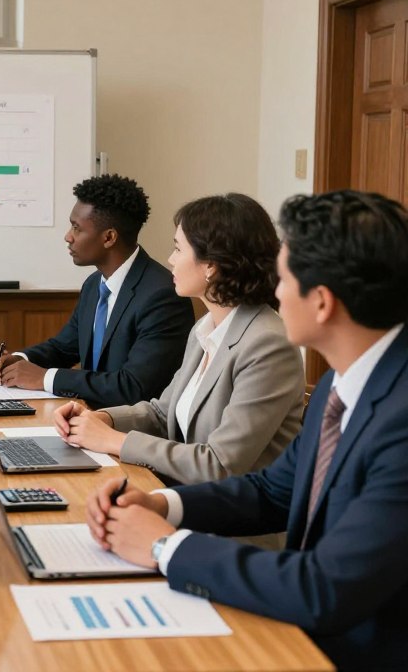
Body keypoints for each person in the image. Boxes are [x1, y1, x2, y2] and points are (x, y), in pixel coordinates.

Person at [84, 190, 408, 671]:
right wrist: (162, 505)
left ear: (321, 303)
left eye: (287, 278)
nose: (275, 291)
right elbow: (274, 491)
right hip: (302, 619)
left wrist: (162, 546)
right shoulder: (341, 383)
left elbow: (325, 588)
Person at [54, 194, 305, 490]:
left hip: (232, 525)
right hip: (185, 498)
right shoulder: (206, 328)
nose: (170, 259)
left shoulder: (267, 345)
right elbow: (162, 413)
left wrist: (114, 440)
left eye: (177, 248)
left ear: (210, 264)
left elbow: (219, 464)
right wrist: (101, 418)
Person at [0, 175, 194, 405]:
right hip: (86, 421)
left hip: (131, 433)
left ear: (109, 237)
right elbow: (64, 348)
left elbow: (133, 386)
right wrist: (18, 360)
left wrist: (45, 378)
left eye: (76, 228)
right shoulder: (95, 284)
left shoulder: (162, 296)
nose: (68, 236)